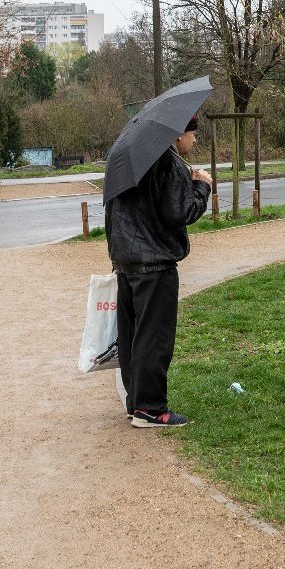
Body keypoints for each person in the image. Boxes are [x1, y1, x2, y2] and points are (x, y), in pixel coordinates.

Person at [105, 115, 213, 427]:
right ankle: (151, 409)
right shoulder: (168, 164)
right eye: (194, 134)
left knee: (132, 336)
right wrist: (201, 186)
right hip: (155, 263)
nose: (195, 141)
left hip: (126, 261)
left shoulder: (132, 160)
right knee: (154, 336)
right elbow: (181, 213)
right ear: (179, 134)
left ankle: (136, 402)